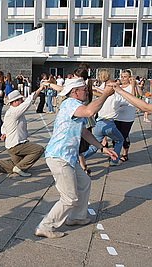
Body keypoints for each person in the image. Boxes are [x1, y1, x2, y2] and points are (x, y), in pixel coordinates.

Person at [35, 78, 118, 239]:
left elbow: (84, 132)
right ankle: (45, 226)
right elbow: (89, 112)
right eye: (83, 89)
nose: (86, 91)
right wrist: (106, 94)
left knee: (85, 182)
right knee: (69, 197)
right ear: (75, 92)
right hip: (59, 156)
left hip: (69, 157)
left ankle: (77, 217)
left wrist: (102, 148)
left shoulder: (75, 108)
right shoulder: (70, 104)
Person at [0, 88, 44, 177]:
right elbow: (29, 102)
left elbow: (4, 126)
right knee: (38, 149)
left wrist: (4, 133)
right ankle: (19, 168)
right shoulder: (15, 111)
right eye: (20, 100)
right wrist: (40, 89)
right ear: (14, 102)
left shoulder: (9, 112)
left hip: (11, 145)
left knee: (18, 164)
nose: (22, 101)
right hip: (17, 144)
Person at [114, 70, 139, 162]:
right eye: (122, 76)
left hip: (128, 117)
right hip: (117, 115)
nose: (123, 78)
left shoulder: (131, 86)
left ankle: (125, 153)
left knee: (123, 136)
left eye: (125, 76)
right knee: (115, 136)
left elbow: (134, 98)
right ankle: (115, 153)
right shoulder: (118, 87)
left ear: (129, 77)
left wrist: (133, 86)